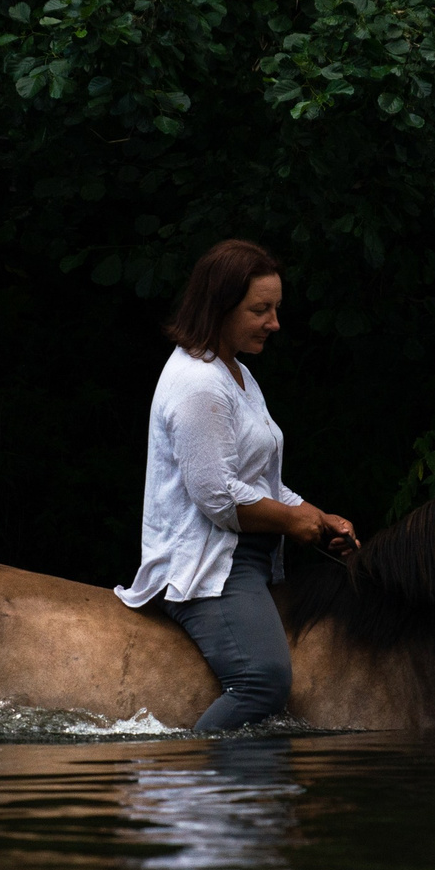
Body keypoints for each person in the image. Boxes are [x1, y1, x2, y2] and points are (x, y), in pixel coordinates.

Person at [115, 239, 357, 732]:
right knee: (263, 680)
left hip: (245, 554)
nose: (275, 323)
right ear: (220, 307)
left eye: (276, 308)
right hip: (206, 565)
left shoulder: (238, 372)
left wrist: (317, 514)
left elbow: (263, 481)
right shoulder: (198, 383)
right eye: (260, 310)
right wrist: (293, 521)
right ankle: (193, 778)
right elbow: (218, 496)